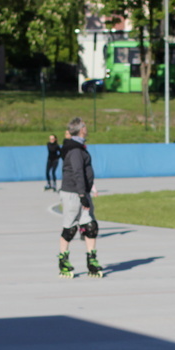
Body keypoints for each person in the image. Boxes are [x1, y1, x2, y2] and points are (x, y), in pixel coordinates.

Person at [57, 117, 102, 278]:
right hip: (73, 193)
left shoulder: (78, 147)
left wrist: (85, 193)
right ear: (82, 129)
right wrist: (82, 194)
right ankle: (63, 260)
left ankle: (92, 259)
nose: (87, 128)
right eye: (86, 126)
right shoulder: (75, 150)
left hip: (83, 193)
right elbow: (77, 172)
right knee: (70, 228)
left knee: (90, 226)